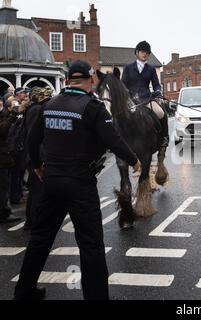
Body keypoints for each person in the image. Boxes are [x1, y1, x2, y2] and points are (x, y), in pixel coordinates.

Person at [14, 61, 142, 300]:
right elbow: (113, 140)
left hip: (51, 181)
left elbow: (32, 141)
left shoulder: (49, 105)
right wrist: (135, 161)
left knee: (40, 239)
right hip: (80, 183)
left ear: (68, 81)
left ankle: (24, 291)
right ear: (91, 79)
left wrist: (39, 167)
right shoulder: (93, 107)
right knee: (90, 245)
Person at [122, 41, 169, 148]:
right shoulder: (128, 68)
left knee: (161, 112)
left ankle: (164, 137)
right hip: (130, 99)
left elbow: (156, 84)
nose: (145, 54)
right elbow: (123, 85)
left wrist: (157, 91)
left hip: (146, 99)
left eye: (147, 53)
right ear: (137, 53)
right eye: (143, 52)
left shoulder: (151, 69)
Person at [23, 87, 53, 230]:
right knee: (38, 192)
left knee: (35, 191)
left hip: (34, 154)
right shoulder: (36, 110)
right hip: (38, 156)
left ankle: (31, 220)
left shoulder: (32, 109)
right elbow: (35, 137)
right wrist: (41, 160)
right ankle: (34, 222)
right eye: (46, 99)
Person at [0, 96, 21, 224]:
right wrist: (13, 114)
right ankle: (3, 213)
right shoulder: (6, 116)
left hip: (5, 156)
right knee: (3, 186)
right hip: (2, 157)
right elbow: (3, 130)